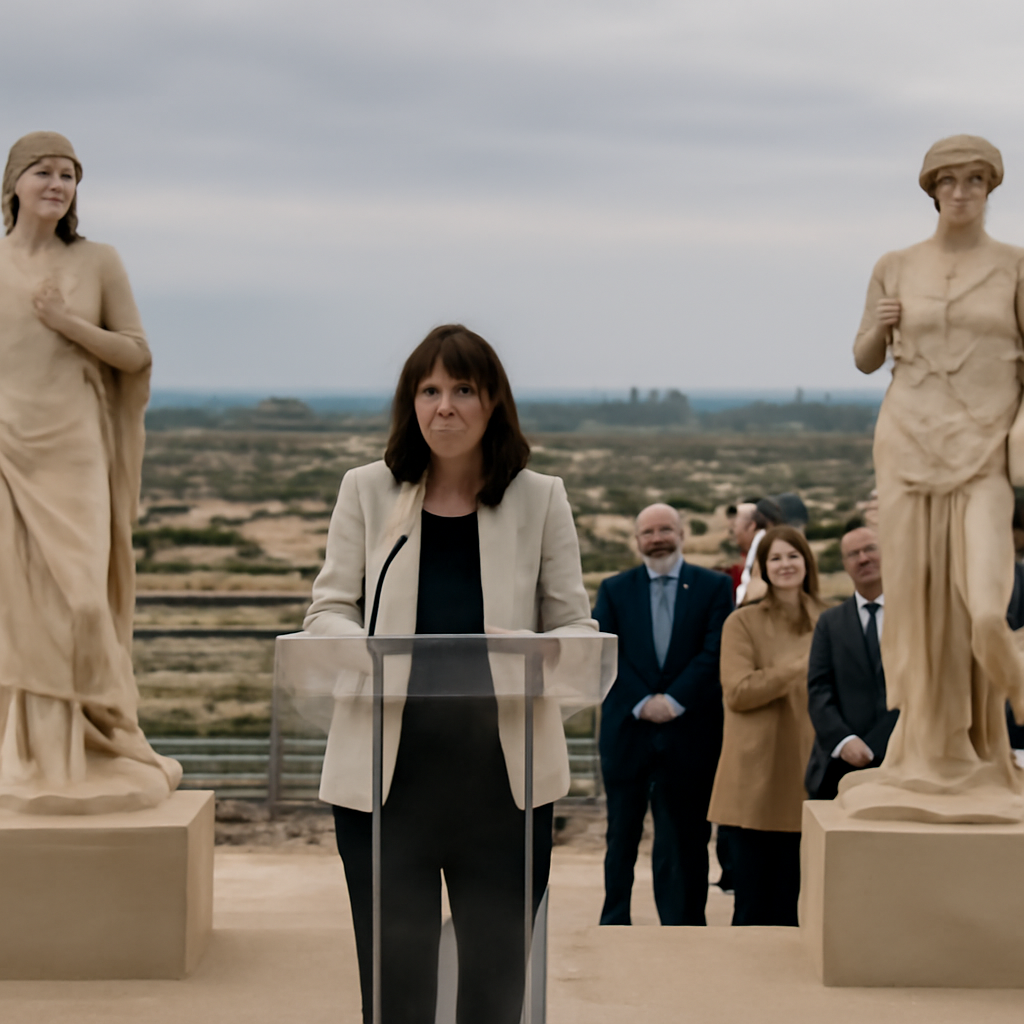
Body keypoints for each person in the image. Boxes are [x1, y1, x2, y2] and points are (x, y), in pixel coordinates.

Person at [304, 325, 597, 1024]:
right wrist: (367, 650)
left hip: (504, 788)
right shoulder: (367, 492)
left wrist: (545, 651)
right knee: (396, 994)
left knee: (493, 994)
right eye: (429, 390)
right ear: (410, 404)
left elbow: (578, 628)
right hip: (386, 785)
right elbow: (327, 613)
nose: (444, 407)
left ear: (493, 402)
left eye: (463, 389)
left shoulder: (540, 498)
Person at [0, 132, 180, 813]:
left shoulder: (97, 261)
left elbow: (134, 355)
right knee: (13, 608)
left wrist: (66, 321)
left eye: (69, 175)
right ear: (14, 183)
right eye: (44, 172)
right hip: (5, 450)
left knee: (81, 601)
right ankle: (32, 753)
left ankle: (99, 735)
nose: (57, 184)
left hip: (74, 452)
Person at [847, 135, 1024, 820]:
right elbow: (866, 357)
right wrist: (878, 326)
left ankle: (1000, 721)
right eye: (948, 180)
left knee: (985, 610)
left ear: (991, 187)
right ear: (931, 190)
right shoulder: (895, 266)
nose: (961, 191)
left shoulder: (1015, 267)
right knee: (916, 607)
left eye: (975, 179)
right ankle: (929, 752)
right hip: (907, 444)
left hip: (983, 452)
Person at [594, 504, 732, 926]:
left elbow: (715, 651)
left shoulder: (714, 587)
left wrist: (673, 701)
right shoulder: (614, 589)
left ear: (682, 534)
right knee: (621, 835)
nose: (657, 538)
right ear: (637, 540)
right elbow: (605, 651)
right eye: (648, 532)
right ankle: (614, 922)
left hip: (690, 732)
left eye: (665, 529)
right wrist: (642, 702)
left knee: (687, 836)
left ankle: (684, 925)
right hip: (628, 731)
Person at [707, 526, 824, 926]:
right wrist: (800, 666)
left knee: (804, 908)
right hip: (756, 781)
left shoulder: (830, 620)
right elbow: (739, 692)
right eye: (775, 558)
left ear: (807, 562)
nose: (785, 564)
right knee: (753, 907)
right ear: (763, 568)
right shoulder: (741, 623)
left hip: (811, 777)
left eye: (793, 556)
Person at [805, 522, 899, 800]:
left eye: (870, 549)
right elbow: (818, 689)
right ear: (844, 564)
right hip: (841, 767)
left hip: (904, 758)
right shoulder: (829, 623)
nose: (863, 558)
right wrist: (844, 741)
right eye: (853, 554)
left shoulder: (915, 617)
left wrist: (876, 746)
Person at [732, 497, 784, 605]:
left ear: (752, 525)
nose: (733, 530)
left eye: (735, 525)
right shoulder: (756, 549)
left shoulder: (766, 551)